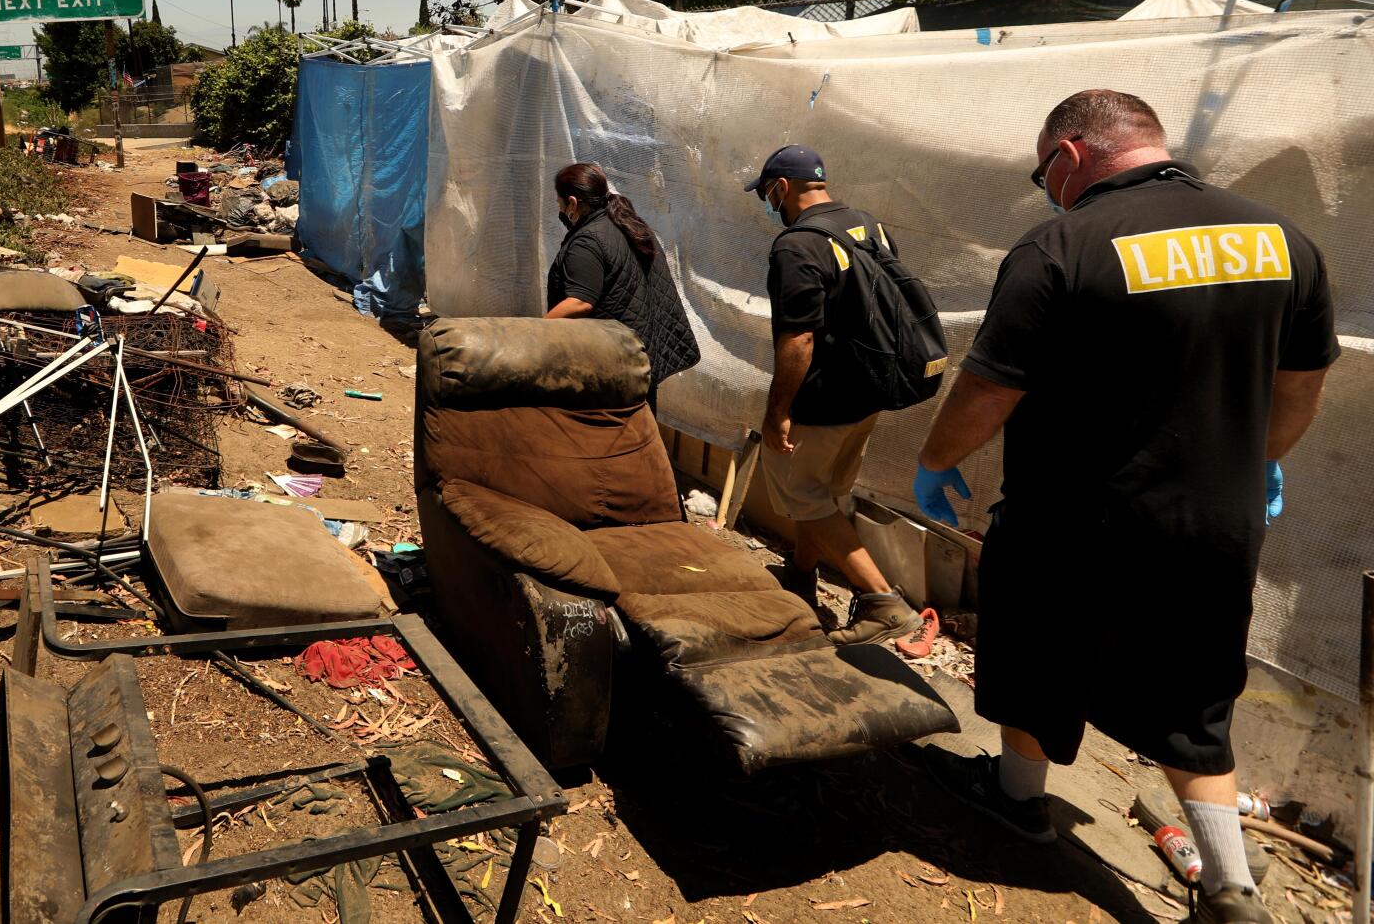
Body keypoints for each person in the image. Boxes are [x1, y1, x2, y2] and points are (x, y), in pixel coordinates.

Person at [913, 90, 1335, 924]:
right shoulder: (1282, 239)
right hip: (1218, 522)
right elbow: (1300, 386)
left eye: (1045, 173)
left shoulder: (1060, 243)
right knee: (1197, 694)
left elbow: (992, 385)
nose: (1046, 188)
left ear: (1069, 156)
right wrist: (1262, 463)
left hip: (1074, 520)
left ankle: (1020, 800)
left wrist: (935, 460)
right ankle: (1228, 887)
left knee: (1037, 659)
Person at [743, 144, 924, 646]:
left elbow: (799, 337)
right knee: (819, 493)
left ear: (781, 188)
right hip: (869, 389)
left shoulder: (795, 246)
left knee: (805, 496)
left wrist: (778, 411)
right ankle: (800, 574)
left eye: (766, 193)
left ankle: (883, 603)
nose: (769, 203)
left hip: (824, 399)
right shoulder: (868, 223)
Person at [544, 163, 700, 409]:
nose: (559, 209)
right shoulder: (630, 225)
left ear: (572, 203)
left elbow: (580, 302)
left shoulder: (587, 242)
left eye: (559, 203)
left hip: (608, 374)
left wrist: (535, 332)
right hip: (639, 362)